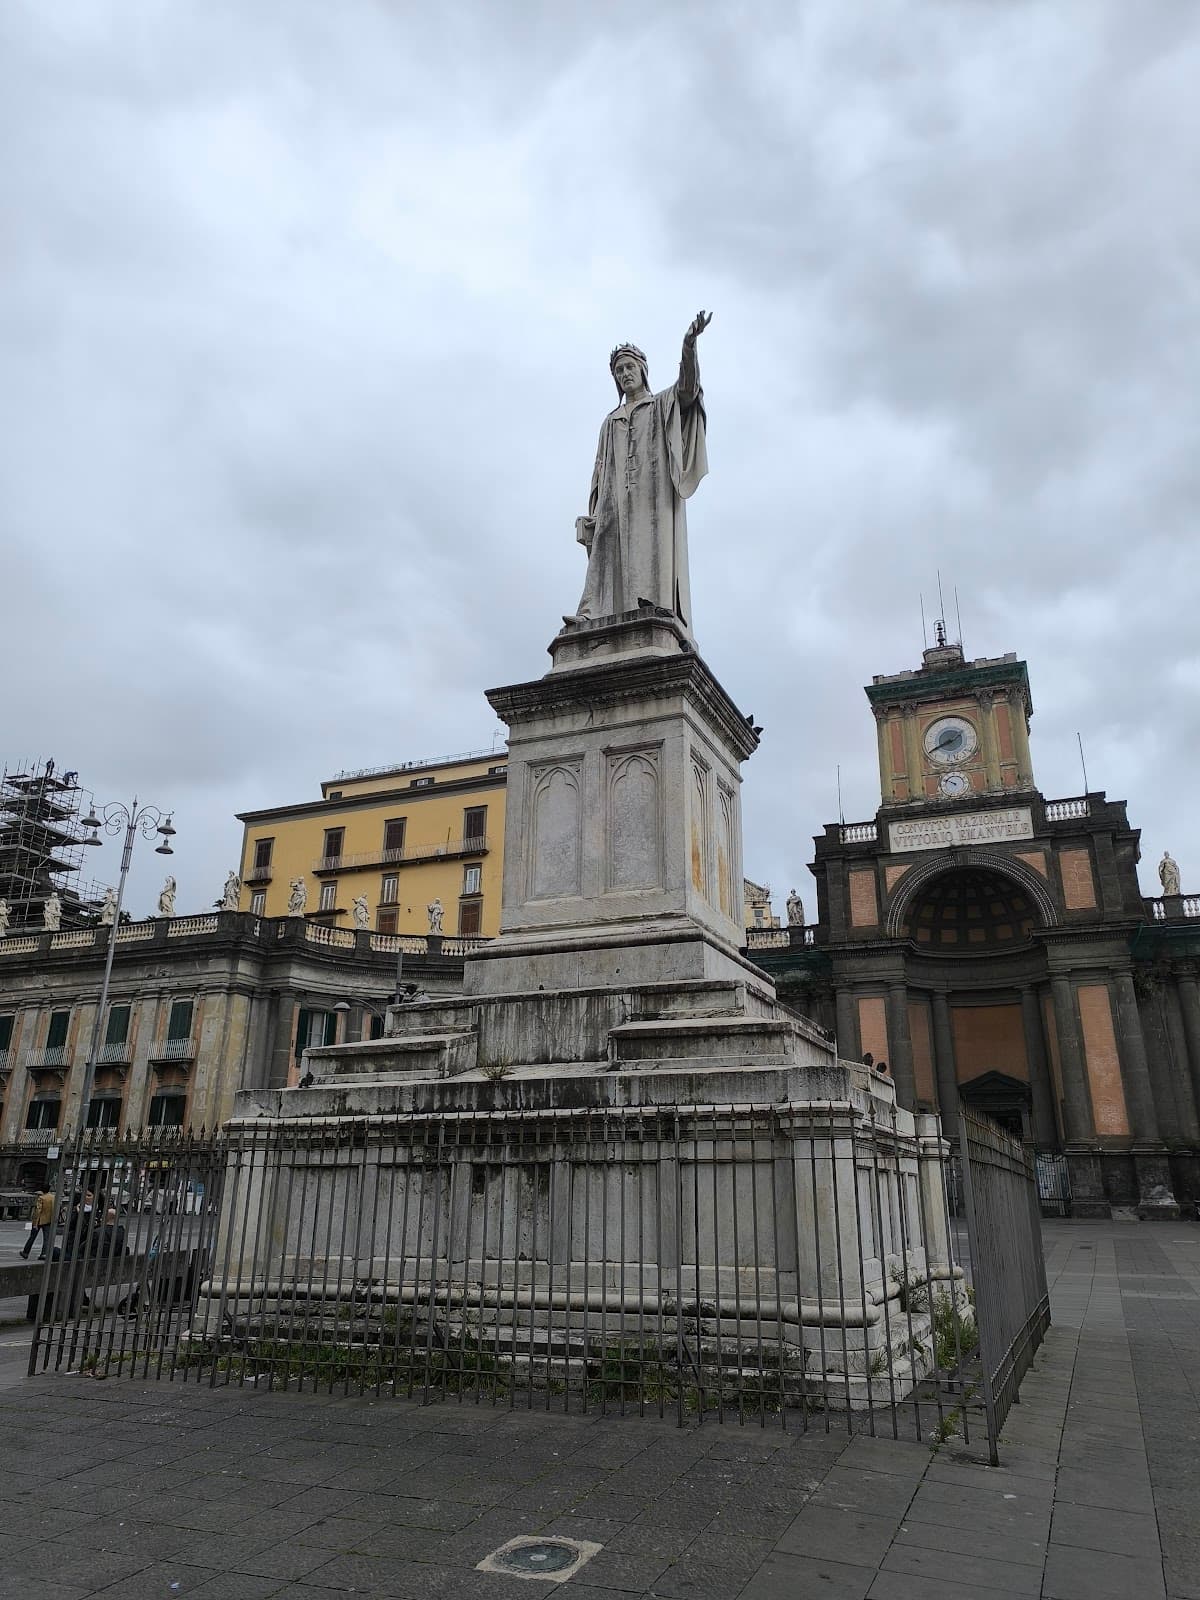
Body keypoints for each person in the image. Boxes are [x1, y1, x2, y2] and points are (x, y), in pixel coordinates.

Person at [569, 311, 712, 631]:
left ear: (642, 370)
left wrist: (689, 347)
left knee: (653, 548)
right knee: (608, 551)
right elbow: (599, 473)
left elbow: (688, 389)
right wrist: (593, 514)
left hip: (653, 496)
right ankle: (594, 611)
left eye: (629, 367)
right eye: (618, 371)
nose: (624, 374)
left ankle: (655, 605)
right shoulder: (611, 421)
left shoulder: (661, 404)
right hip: (614, 504)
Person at [20, 1186, 56, 1260]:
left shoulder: (41, 1198)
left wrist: (35, 1223)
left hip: (39, 1220)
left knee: (32, 1237)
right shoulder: (53, 1197)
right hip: (48, 1220)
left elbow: (38, 1211)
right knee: (46, 1238)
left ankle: (26, 1252)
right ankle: (44, 1254)